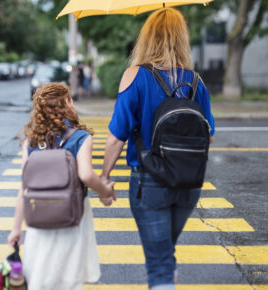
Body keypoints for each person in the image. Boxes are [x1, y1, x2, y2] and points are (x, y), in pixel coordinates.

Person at [100, 8, 215, 290]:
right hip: (188, 184)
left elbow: (117, 136)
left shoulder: (135, 76)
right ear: (181, 38)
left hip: (150, 181)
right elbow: (208, 135)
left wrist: (104, 177)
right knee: (165, 253)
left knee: (159, 265)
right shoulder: (196, 81)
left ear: (147, 38)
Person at [8, 82, 116, 290]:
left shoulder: (31, 141)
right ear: (67, 102)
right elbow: (85, 175)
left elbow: (24, 186)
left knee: (39, 272)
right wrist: (105, 191)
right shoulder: (80, 137)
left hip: (38, 213)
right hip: (72, 213)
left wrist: (16, 228)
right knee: (68, 275)